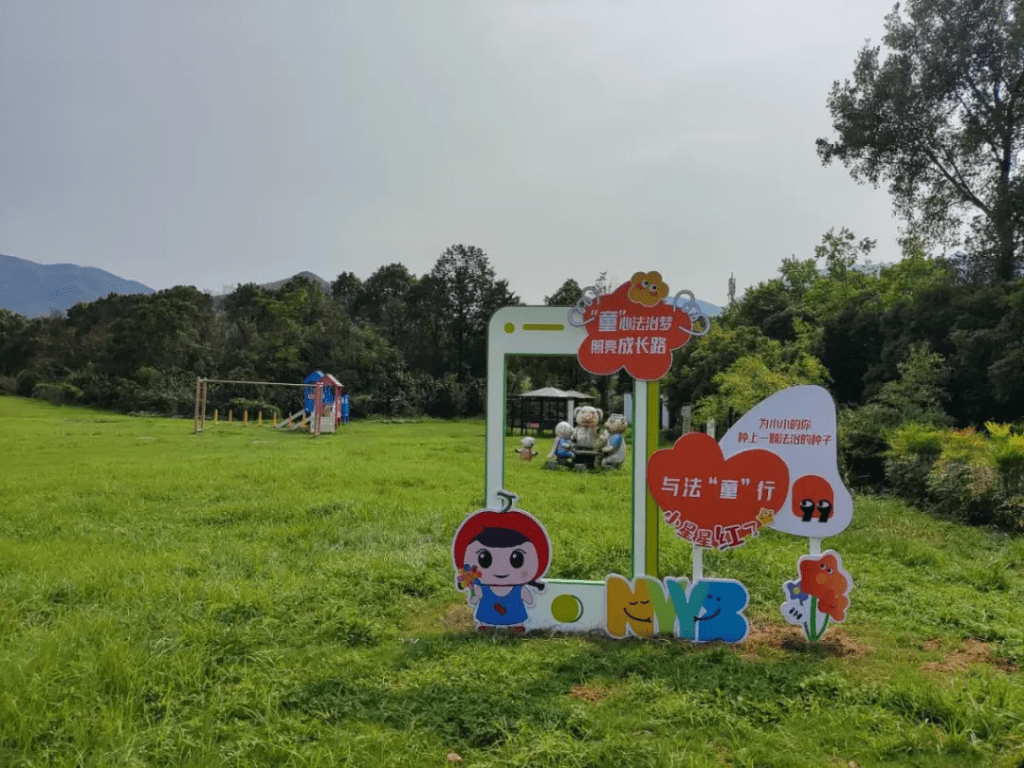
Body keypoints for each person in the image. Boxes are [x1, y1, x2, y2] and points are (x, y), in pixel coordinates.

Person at [452, 505, 551, 632]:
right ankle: (488, 626)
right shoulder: (483, 588)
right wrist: (472, 592)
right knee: (488, 620)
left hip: (515, 617)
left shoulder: (518, 589)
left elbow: (531, 601)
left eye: (517, 560)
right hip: (488, 616)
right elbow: (474, 599)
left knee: (514, 620)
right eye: (484, 559)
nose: (501, 570)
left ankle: (515, 626)